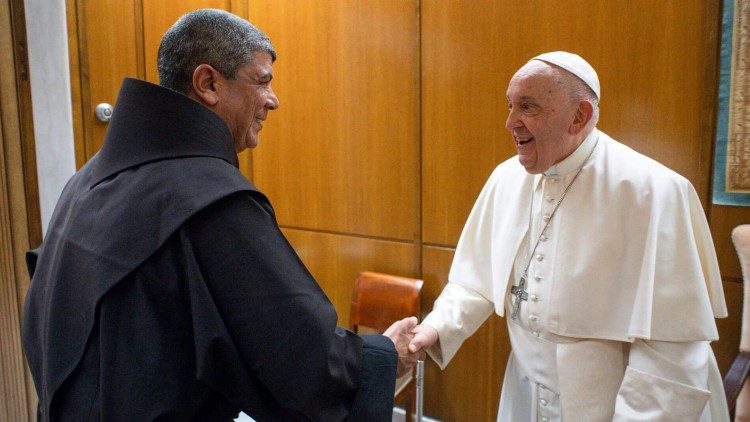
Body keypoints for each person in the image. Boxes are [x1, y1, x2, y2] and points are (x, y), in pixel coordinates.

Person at [22, 9, 419, 421]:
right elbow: (295, 355)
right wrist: (383, 358)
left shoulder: (86, 180)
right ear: (208, 83)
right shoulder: (211, 200)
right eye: (262, 81)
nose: (273, 100)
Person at [408, 51, 730, 421]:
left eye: (527, 107)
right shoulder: (506, 178)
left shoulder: (654, 192)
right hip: (527, 395)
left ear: (580, 116)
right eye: (510, 106)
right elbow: (475, 280)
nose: (510, 122)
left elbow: (672, 350)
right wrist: (437, 327)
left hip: (619, 404)